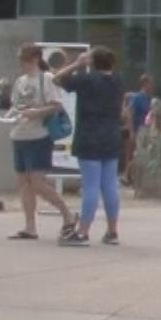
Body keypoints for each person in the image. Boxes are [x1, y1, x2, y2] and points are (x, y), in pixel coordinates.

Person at [7, 43, 77, 243]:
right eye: (21, 60)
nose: (22, 64)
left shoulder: (45, 78)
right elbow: (15, 105)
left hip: (38, 135)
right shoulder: (20, 81)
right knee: (23, 181)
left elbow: (55, 106)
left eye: (26, 60)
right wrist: (12, 115)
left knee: (37, 181)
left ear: (36, 59)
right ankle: (30, 226)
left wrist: (35, 113)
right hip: (19, 133)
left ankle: (67, 213)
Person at [56, 47, 125, 247]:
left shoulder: (87, 80)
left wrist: (78, 64)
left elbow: (57, 78)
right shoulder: (117, 81)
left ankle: (83, 232)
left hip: (89, 136)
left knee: (91, 186)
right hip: (111, 136)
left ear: (92, 62)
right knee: (110, 185)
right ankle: (112, 231)